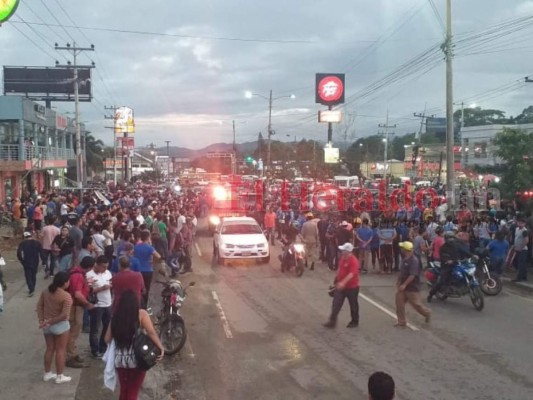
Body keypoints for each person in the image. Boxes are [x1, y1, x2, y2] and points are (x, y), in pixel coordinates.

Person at [104, 290, 164, 400]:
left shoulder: (115, 317)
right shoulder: (141, 314)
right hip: (137, 360)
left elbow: (107, 339)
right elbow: (151, 333)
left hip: (120, 360)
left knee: (124, 390)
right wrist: (160, 347)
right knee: (133, 391)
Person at [36, 271, 73, 384]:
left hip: (47, 326)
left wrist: (43, 320)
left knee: (49, 349)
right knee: (60, 350)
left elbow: (39, 306)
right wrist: (51, 321)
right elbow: (64, 315)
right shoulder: (66, 296)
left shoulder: (45, 291)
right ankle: (59, 376)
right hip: (60, 326)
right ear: (65, 283)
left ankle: (47, 374)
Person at [66, 256, 95, 368]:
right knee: (74, 331)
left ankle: (72, 352)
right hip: (76, 306)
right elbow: (77, 294)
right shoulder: (78, 276)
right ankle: (70, 356)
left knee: (73, 331)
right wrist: (88, 304)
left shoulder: (76, 272)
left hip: (74, 305)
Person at [323, 242, 360, 329]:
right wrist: (336, 280)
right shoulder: (343, 258)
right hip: (340, 287)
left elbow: (351, 274)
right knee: (336, 303)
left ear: (348, 251)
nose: (341, 251)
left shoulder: (354, 261)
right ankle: (332, 321)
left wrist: (343, 283)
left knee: (353, 305)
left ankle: (354, 321)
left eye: (343, 250)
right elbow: (340, 269)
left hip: (352, 287)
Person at [395, 241, 431, 327]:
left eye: (402, 248)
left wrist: (404, 285)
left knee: (416, 305)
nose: (401, 249)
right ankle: (401, 321)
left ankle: (427, 313)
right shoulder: (405, 259)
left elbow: (412, 275)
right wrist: (399, 282)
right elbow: (402, 272)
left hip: (412, 287)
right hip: (402, 285)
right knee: (399, 303)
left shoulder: (414, 261)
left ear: (405, 250)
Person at [86, 255, 112, 359]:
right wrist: (101, 288)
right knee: (95, 329)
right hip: (97, 305)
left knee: (107, 326)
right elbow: (88, 291)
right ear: (97, 264)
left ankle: (103, 347)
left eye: (106, 266)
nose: (105, 269)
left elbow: (110, 283)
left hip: (108, 303)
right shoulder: (89, 275)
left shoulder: (108, 273)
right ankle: (95, 350)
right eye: (103, 266)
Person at [134, 230, 161, 307]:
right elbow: (158, 256)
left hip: (138, 271)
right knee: (146, 289)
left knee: (138, 288)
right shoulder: (149, 248)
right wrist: (152, 262)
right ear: (148, 237)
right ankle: (144, 306)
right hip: (148, 270)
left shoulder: (136, 246)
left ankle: (138, 304)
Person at [17, 231, 42, 297]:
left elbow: (19, 253)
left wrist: (22, 261)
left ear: (24, 237)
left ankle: (31, 289)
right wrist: (44, 262)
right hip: (35, 262)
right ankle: (33, 287)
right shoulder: (37, 243)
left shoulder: (23, 243)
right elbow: (41, 252)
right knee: (33, 275)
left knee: (28, 276)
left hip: (27, 262)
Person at [512, 218, 529, 282]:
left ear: (524, 224)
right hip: (517, 249)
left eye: (522, 223)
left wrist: (521, 247)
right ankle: (524, 276)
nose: (520, 224)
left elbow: (526, 240)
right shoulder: (516, 229)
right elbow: (516, 238)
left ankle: (519, 278)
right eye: (519, 222)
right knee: (520, 263)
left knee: (520, 264)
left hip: (523, 250)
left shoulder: (524, 231)